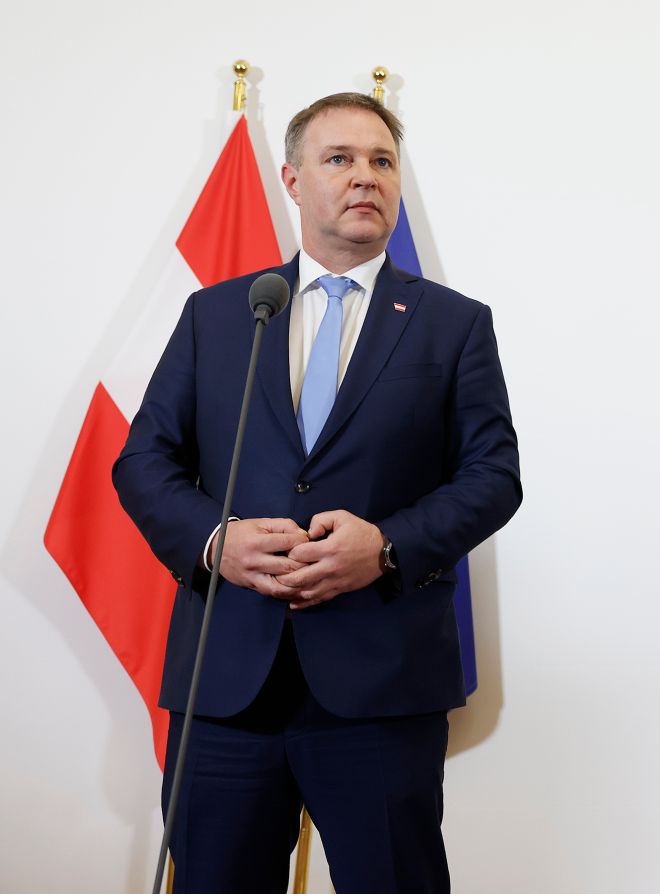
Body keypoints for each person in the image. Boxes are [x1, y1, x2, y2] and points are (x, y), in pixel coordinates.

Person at [113, 92, 521, 893]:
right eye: (340, 159)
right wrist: (216, 541)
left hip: (381, 688)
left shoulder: (452, 324)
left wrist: (389, 547)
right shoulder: (221, 315)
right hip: (228, 686)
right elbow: (144, 461)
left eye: (382, 161)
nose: (365, 176)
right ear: (293, 181)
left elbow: (492, 475)